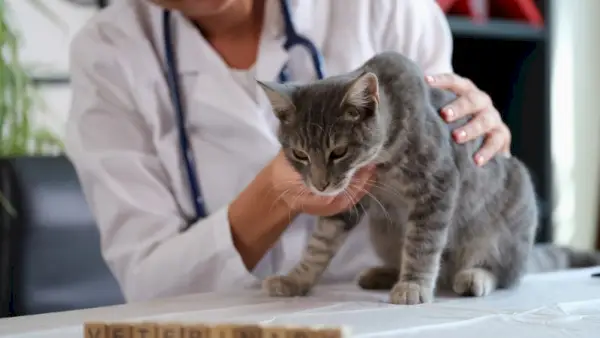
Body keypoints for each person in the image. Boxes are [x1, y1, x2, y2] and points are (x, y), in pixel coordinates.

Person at [65, 0, 512, 303]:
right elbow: (148, 285)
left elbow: (442, 174)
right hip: (220, 317)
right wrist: (276, 192)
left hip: (378, 305)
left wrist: (477, 138)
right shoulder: (108, 51)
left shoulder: (383, 6)